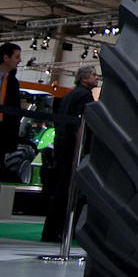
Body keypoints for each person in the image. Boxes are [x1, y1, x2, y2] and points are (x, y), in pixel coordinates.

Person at [41, 65, 98, 243]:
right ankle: (64, 230)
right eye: (93, 75)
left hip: (63, 147)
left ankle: (52, 230)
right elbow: (80, 125)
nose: (96, 78)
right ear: (84, 78)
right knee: (70, 190)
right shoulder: (84, 96)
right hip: (73, 149)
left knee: (61, 189)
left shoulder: (69, 95)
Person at [0, 43, 22, 168]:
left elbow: (15, 111)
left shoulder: (13, 82)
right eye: (16, 57)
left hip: (4, 133)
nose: (20, 60)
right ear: (6, 58)